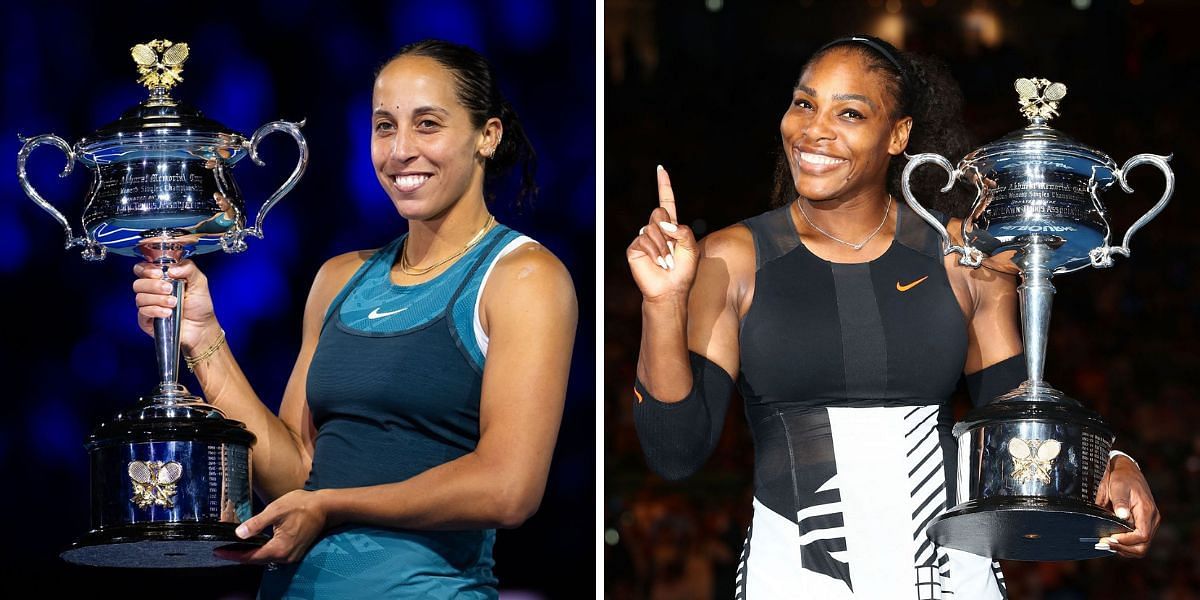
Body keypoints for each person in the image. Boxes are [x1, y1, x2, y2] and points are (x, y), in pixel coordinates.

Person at [626, 35, 1159, 598]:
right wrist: (662, 303)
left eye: (849, 112)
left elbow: (1013, 413)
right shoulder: (731, 259)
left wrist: (1111, 464)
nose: (814, 129)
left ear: (898, 136)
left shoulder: (963, 257)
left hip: (952, 577)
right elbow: (676, 453)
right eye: (804, 103)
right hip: (795, 578)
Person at [133, 39, 577, 598]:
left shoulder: (524, 278)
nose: (400, 151)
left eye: (428, 125)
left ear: (487, 136)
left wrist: (331, 505)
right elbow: (296, 473)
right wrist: (203, 337)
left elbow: (509, 488)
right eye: (385, 126)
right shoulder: (339, 279)